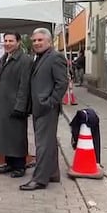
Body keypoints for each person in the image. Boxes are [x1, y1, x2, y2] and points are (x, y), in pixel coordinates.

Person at [20, 28, 68, 191]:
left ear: (49, 41)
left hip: (47, 108)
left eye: (40, 40)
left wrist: (50, 102)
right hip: (39, 107)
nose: (36, 43)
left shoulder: (55, 57)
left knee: (42, 145)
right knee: (49, 143)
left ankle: (39, 179)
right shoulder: (40, 58)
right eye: (34, 40)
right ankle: (53, 173)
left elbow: (62, 83)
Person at [0, 32, 31, 178]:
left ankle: (20, 166)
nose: (8, 43)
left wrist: (21, 106)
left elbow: (24, 85)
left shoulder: (24, 60)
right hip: (3, 104)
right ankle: (9, 163)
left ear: (18, 42)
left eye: (11, 41)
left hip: (15, 104)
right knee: (6, 135)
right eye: (6, 40)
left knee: (17, 136)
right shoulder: (3, 59)